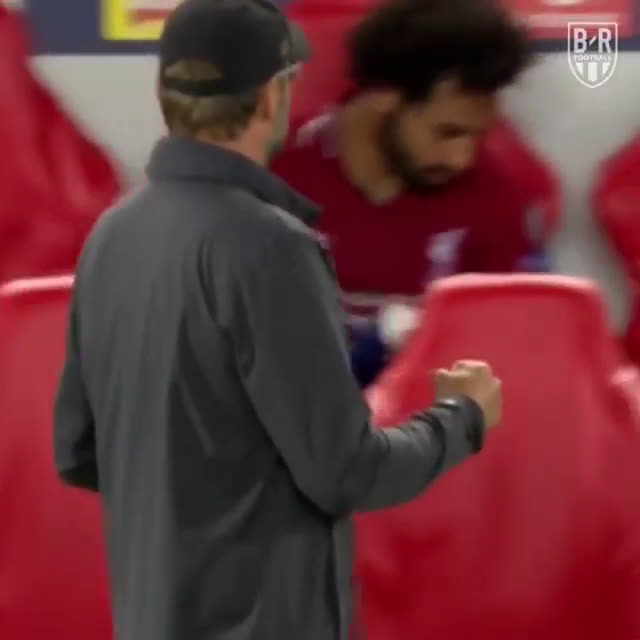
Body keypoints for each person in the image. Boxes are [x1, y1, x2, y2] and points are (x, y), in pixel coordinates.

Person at [53, 1, 502, 640]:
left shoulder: (111, 237)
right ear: (270, 97)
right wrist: (462, 418)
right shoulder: (272, 246)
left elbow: (77, 450)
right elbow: (348, 472)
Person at [272, 0, 558, 385]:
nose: (461, 158)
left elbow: (512, 344)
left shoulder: (494, 195)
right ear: (383, 96)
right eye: (447, 132)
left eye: (477, 135)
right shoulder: (272, 175)